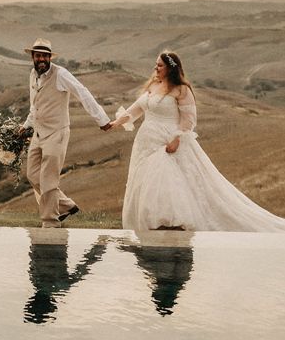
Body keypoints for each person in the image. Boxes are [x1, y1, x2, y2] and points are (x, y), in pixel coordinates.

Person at [110, 51, 285, 232]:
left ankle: (170, 222)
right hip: (146, 143)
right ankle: (150, 223)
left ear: (171, 68)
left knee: (166, 180)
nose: (156, 68)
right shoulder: (153, 85)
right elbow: (135, 110)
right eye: (156, 64)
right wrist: (114, 123)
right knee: (146, 182)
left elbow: (189, 118)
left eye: (160, 65)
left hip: (167, 141)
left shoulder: (181, 89)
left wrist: (177, 138)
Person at [21, 38, 112, 228]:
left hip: (57, 133)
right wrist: (27, 125)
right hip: (38, 133)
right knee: (32, 174)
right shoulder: (33, 74)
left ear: (50, 57)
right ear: (33, 57)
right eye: (38, 55)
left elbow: (82, 92)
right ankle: (66, 205)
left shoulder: (61, 74)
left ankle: (50, 221)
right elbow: (34, 105)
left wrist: (101, 119)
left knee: (48, 178)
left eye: (45, 56)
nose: (42, 59)